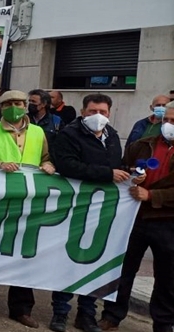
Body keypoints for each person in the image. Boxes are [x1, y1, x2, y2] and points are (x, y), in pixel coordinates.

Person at [0, 90, 56, 328]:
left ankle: (21, 308)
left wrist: (48, 164)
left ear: (26, 106)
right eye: (8, 104)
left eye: (18, 103)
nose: (14, 107)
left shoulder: (38, 132)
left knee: (24, 255)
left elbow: (46, 157)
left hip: (28, 203)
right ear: (1, 107)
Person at [51, 93, 131, 332]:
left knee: (98, 259)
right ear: (83, 112)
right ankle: (61, 312)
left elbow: (116, 165)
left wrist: (129, 173)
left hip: (104, 208)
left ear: (109, 113)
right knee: (70, 260)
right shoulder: (68, 134)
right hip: (77, 206)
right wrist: (107, 174)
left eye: (103, 112)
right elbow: (67, 165)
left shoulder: (113, 136)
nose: (98, 116)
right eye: (92, 111)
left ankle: (86, 314)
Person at [104, 100, 174, 332]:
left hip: (167, 222)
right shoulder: (143, 144)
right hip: (134, 217)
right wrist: (133, 175)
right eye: (167, 120)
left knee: (167, 277)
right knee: (122, 269)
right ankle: (112, 315)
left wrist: (152, 195)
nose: (169, 125)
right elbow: (124, 168)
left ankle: (163, 324)